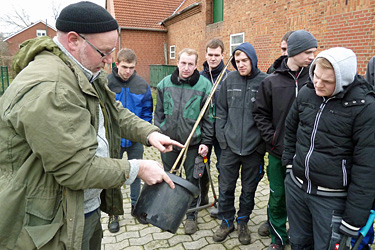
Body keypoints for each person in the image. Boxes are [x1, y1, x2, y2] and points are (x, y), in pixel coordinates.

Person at [0, 2, 183, 250]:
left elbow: (112, 111)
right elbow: (75, 168)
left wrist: (149, 133)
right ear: (74, 40)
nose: (110, 61)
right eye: (104, 52)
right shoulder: (52, 87)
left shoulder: (83, 71)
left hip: (82, 205)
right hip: (51, 220)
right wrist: (137, 168)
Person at [282, 47, 375, 250]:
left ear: (343, 80)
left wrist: (353, 219)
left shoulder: (364, 107)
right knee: (298, 243)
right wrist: (289, 165)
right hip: (297, 189)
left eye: (327, 81)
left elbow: (367, 168)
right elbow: (290, 129)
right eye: (316, 76)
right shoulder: (307, 92)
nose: (318, 83)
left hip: (331, 200)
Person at [253, 30, 317, 250]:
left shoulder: (315, 80)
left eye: (314, 52)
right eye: (308, 52)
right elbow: (260, 113)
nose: (312, 57)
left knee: (302, 199)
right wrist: (272, 138)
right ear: (295, 51)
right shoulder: (271, 82)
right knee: (277, 196)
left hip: (307, 153)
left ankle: (299, 234)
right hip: (278, 152)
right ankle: (277, 238)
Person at [154, 48, 214, 235]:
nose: (186, 68)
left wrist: (206, 141)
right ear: (177, 63)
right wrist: (160, 133)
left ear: (196, 65)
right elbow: (159, 113)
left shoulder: (204, 86)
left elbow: (209, 118)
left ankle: (190, 215)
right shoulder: (164, 84)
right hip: (169, 142)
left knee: (192, 180)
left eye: (190, 64)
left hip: (193, 144)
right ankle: (170, 210)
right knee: (169, 177)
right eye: (183, 63)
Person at [213, 42, 267, 245]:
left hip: (254, 149)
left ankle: (243, 222)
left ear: (253, 59)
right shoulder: (229, 80)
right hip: (230, 147)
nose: (241, 64)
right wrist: (223, 140)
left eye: (245, 60)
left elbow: (268, 117)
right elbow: (221, 112)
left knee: (248, 189)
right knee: (226, 188)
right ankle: (226, 222)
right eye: (237, 61)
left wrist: (261, 146)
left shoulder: (265, 82)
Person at [106, 48, 153, 232]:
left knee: (136, 174)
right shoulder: (106, 83)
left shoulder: (142, 84)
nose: (127, 71)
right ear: (116, 64)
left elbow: (148, 111)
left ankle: (136, 207)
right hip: (114, 140)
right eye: (124, 67)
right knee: (113, 177)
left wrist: (143, 134)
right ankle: (113, 213)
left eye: (131, 67)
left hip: (135, 141)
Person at [199, 38, 230, 218]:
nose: (213, 58)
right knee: (201, 167)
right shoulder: (200, 77)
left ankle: (223, 202)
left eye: (216, 55)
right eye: (210, 55)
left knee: (223, 168)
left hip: (222, 133)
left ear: (223, 55)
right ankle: (203, 198)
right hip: (204, 131)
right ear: (205, 54)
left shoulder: (228, 76)